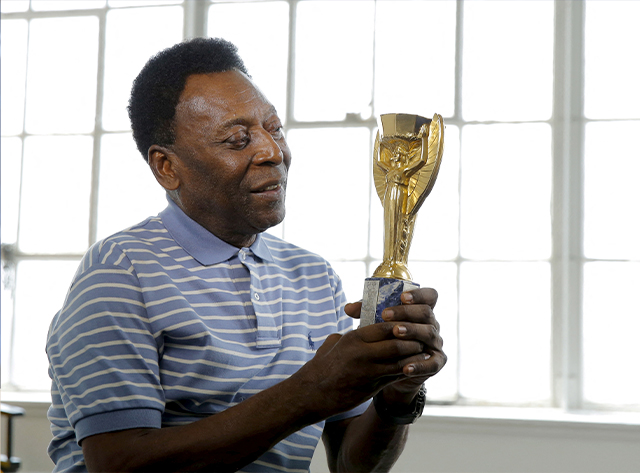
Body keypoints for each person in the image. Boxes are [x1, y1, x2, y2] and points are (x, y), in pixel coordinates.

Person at [46, 37, 446, 473]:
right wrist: (311, 390)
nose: (272, 152)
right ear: (166, 166)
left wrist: (396, 389)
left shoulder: (313, 276)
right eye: (238, 140)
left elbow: (351, 465)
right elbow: (117, 463)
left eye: (273, 129)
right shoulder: (121, 272)